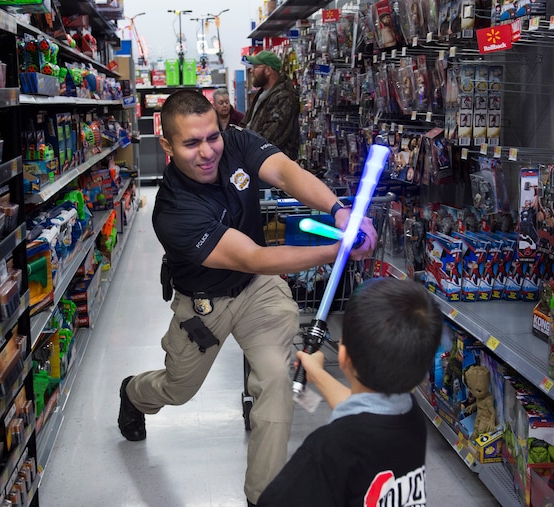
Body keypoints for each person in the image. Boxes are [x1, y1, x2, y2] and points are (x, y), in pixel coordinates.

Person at [117, 89, 378, 506]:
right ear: (166, 145)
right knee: (178, 388)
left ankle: (265, 497)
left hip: (258, 290)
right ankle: (133, 394)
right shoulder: (172, 210)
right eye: (191, 143)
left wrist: (339, 210)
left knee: (277, 379)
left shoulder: (235, 141)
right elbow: (254, 256)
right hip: (204, 305)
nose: (207, 152)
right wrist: (337, 249)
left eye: (212, 137)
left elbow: (288, 174)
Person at [258, 277, 443, 507]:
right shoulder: (411, 416)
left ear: (343, 355)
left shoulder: (328, 447)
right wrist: (316, 373)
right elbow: (366, 414)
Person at [241, 50, 300, 160]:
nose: (251, 71)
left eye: (255, 67)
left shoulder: (284, 97)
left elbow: (271, 137)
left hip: (276, 166)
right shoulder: (262, 94)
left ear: (268, 70)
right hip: (258, 160)